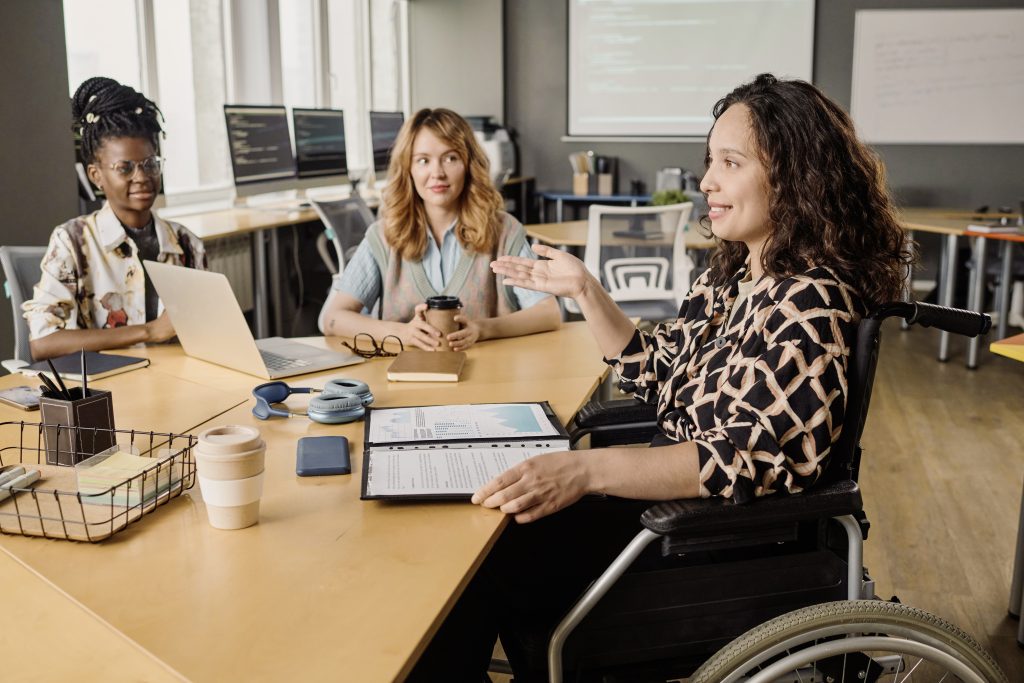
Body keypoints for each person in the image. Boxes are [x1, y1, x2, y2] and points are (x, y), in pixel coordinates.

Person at [406, 74, 914, 681]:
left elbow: (747, 456)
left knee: (484, 563)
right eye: (710, 162)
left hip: (710, 541)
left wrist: (587, 468)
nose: (706, 181)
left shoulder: (810, 300)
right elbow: (659, 370)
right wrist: (586, 291)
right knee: (480, 544)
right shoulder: (730, 279)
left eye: (730, 162)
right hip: (669, 518)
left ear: (796, 175)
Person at [317, 108, 560, 351]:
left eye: (451, 158)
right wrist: (403, 333)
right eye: (423, 160)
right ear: (408, 169)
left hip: (489, 379)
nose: (437, 173)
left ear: (468, 164)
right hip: (405, 383)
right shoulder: (382, 235)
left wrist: (482, 329)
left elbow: (548, 313)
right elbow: (333, 318)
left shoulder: (504, 230)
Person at [23, 77, 206, 362]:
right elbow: (43, 343)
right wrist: (149, 331)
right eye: (125, 168)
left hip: (178, 384)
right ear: (96, 176)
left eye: (150, 164)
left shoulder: (187, 243)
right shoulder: (72, 240)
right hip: (106, 392)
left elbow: (207, 333)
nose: (142, 177)